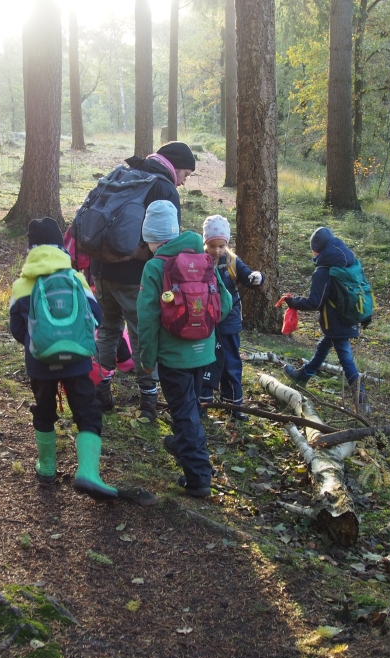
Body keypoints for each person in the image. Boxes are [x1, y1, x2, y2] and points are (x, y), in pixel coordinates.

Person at [9, 218, 118, 501]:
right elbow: (98, 317)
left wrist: (38, 345)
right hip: (78, 362)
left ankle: (46, 468)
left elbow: (17, 329)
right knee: (87, 412)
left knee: (44, 411)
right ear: (61, 246)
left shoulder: (22, 284)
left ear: (31, 248)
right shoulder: (76, 278)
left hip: (39, 365)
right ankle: (88, 473)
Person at [91, 141, 197, 420]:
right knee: (141, 334)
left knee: (108, 329)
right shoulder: (164, 188)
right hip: (134, 275)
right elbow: (168, 242)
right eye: (187, 173)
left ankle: (101, 391)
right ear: (176, 165)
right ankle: (148, 401)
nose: (184, 182)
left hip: (101, 268)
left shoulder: (129, 173)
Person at [137, 201, 231, 498]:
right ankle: (183, 445)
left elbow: (147, 318)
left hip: (173, 357)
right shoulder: (203, 258)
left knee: (184, 412)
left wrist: (146, 358)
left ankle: (198, 477)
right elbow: (226, 305)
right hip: (204, 353)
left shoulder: (155, 266)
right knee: (190, 406)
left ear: (152, 238)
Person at [283, 227, 367, 410]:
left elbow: (315, 302)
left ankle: (362, 400)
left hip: (337, 322)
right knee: (323, 346)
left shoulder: (324, 270)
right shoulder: (349, 263)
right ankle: (303, 375)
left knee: (346, 359)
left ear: (316, 249)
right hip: (350, 317)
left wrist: (292, 302)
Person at [198, 215, 263, 421]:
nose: (216, 250)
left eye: (221, 245)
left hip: (229, 320)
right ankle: (203, 400)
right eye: (212, 245)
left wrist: (257, 277)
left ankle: (234, 403)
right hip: (205, 321)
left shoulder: (232, 261)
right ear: (205, 242)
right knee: (205, 362)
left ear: (227, 243)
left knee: (231, 361)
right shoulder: (198, 259)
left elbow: (248, 276)